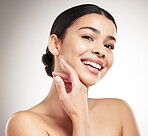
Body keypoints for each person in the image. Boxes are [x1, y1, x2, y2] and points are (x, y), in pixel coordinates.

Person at [5, 4, 140, 136]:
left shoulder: (119, 112)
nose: (101, 51)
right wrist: (80, 118)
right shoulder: (23, 123)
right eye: (88, 37)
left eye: (109, 45)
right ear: (55, 44)